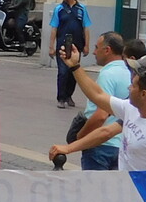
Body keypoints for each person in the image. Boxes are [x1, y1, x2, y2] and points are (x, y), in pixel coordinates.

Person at [62, 47, 146, 172]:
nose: (129, 87)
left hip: (141, 191)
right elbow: (98, 95)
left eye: (134, 85)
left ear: (144, 94)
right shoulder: (132, 109)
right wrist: (75, 66)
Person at [48, 33, 129, 170]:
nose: (94, 52)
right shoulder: (129, 73)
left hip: (101, 146)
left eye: (97, 48)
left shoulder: (108, 74)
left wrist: (80, 138)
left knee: (94, 190)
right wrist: (74, 66)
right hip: (122, 146)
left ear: (107, 50)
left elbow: (101, 115)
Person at [47, 0, 91, 109]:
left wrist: (86, 45)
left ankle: (68, 95)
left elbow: (86, 28)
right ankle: (61, 97)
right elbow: (54, 28)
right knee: (62, 72)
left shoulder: (82, 9)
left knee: (73, 72)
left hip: (76, 46)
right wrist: (51, 46)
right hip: (62, 45)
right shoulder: (59, 9)